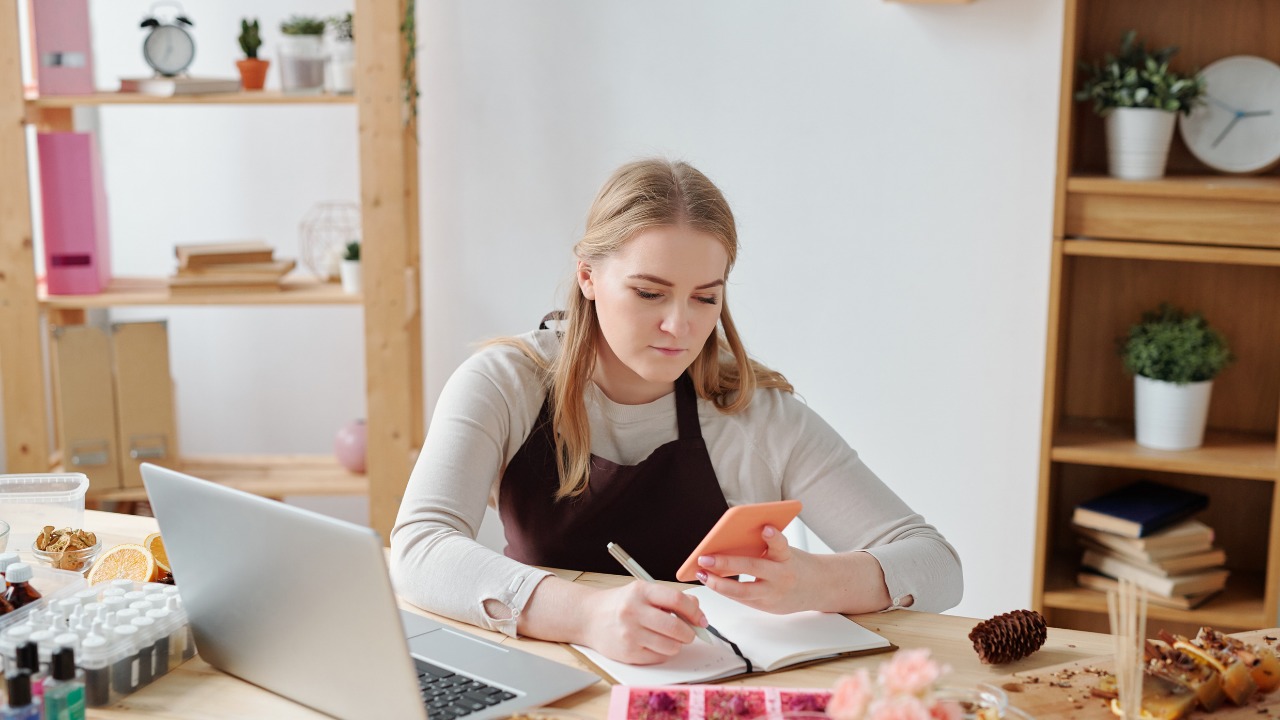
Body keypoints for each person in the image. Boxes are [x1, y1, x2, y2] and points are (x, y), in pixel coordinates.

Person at [390, 158, 962, 665]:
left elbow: (937, 564)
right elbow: (418, 548)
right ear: (588, 276)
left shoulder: (756, 414)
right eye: (648, 293)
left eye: (705, 297)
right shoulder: (504, 383)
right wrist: (589, 617)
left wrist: (814, 583)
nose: (679, 326)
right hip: (552, 686)